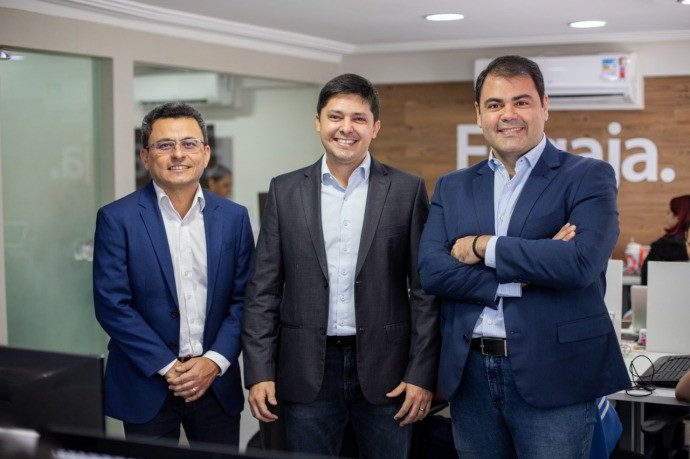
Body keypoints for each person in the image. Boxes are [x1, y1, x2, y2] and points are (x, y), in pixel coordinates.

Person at [418, 55, 630, 458]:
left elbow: (579, 264)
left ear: (544, 106)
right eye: (495, 104)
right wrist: (529, 269)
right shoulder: (453, 186)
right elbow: (433, 272)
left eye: (522, 101)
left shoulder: (587, 175)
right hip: (471, 374)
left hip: (556, 372)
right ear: (479, 114)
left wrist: (483, 246)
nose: (508, 115)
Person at [242, 73, 439, 457]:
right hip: (305, 372)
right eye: (335, 117)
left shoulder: (406, 190)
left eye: (358, 118)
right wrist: (259, 371)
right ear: (318, 122)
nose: (346, 128)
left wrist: (421, 373)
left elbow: (425, 291)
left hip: (389, 374)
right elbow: (263, 290)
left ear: (375, 127)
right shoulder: (285, 190)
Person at [93, 102, 254, 447]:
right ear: (145, 156)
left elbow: (245, 299)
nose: (178, 154)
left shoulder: (234, 218)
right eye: (165, 145)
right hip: (146, 380)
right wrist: (168, 366)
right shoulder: (116, 219)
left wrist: (214, 361)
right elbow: (112, 305)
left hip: (215, 382)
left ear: (205, 153)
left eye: (189, 143)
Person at [640, 194, 690, 284]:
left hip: (658, 292)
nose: (666, 216)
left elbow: (646, 280)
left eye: (669, 212)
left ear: (678, 216)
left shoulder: (660, 247)